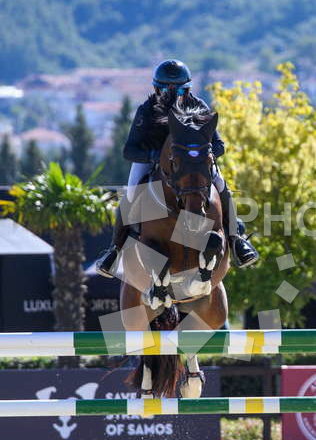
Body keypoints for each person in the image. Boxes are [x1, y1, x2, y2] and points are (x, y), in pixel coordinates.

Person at [95, 59, 259, 277]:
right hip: (152, 164)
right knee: (131, 193)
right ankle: (114, 251)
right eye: (165, 89)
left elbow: (219, 145)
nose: (173, 94)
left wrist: (200, 156)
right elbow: (129, 150)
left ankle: (236, 241)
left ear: (187, 89)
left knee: (221, 186)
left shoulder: (198, 107)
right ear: (156, 89)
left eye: (180, 90)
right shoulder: (147, 110)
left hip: (194, 165)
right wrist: (156, 156)